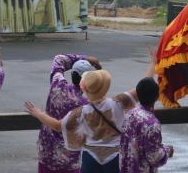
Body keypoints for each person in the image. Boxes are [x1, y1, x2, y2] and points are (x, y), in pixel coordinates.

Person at [26, 52, 156, 173]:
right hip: (79, 160)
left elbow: (57, 125)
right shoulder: (112, 103)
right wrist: (153, 63)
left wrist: (38, 113)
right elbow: (142, 88)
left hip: (49, 153)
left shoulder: (58, 86)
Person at [37, 54, 101, 173]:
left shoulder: (57, 85)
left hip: (47, 152)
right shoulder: (85, 104)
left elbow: (58, 59)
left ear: (72, 75)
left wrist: (84, 58)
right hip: (69, 159)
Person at [120, 77, 173, 173]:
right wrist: (167, 150)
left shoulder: (129, 114)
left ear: (138, 94)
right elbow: (153, 156)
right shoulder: (152, 124)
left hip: (125, 168)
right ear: (157, 97)